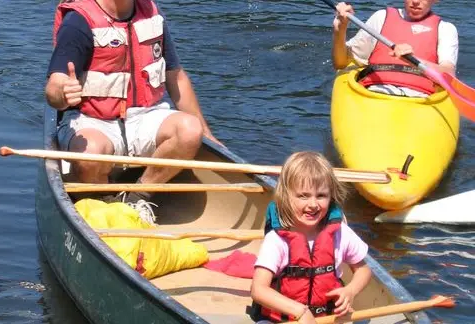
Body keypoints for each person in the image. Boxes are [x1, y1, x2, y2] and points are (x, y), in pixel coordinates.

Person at [44, 0, 222, 221]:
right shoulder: (78, 21)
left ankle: (138, 196)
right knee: (90, 154)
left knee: (190, 130)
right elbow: (54, 85)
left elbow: (175, 75)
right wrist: (62, 93)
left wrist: (206, 133)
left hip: (144, 115)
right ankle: (102, 201)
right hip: (92, 119)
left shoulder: (151, 13)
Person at [249, 152, 372, 323]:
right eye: (303, 196)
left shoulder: (340, 233)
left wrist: (350, 290)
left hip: (327, 318)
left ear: (331, 197)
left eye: (321, 195)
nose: (313, 204)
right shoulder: (277, 240)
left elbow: (364, 270)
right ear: (285, 197)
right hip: (282, 320)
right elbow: (258, 289)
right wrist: (300, 312)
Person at [332, 0, 459, 98]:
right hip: (374, 93)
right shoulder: (380, 18)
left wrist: (413, 60)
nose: (415, 1)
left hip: (421, 99)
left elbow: (448, 75)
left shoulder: (445, 29)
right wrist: (340, 30)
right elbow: (341, 63)